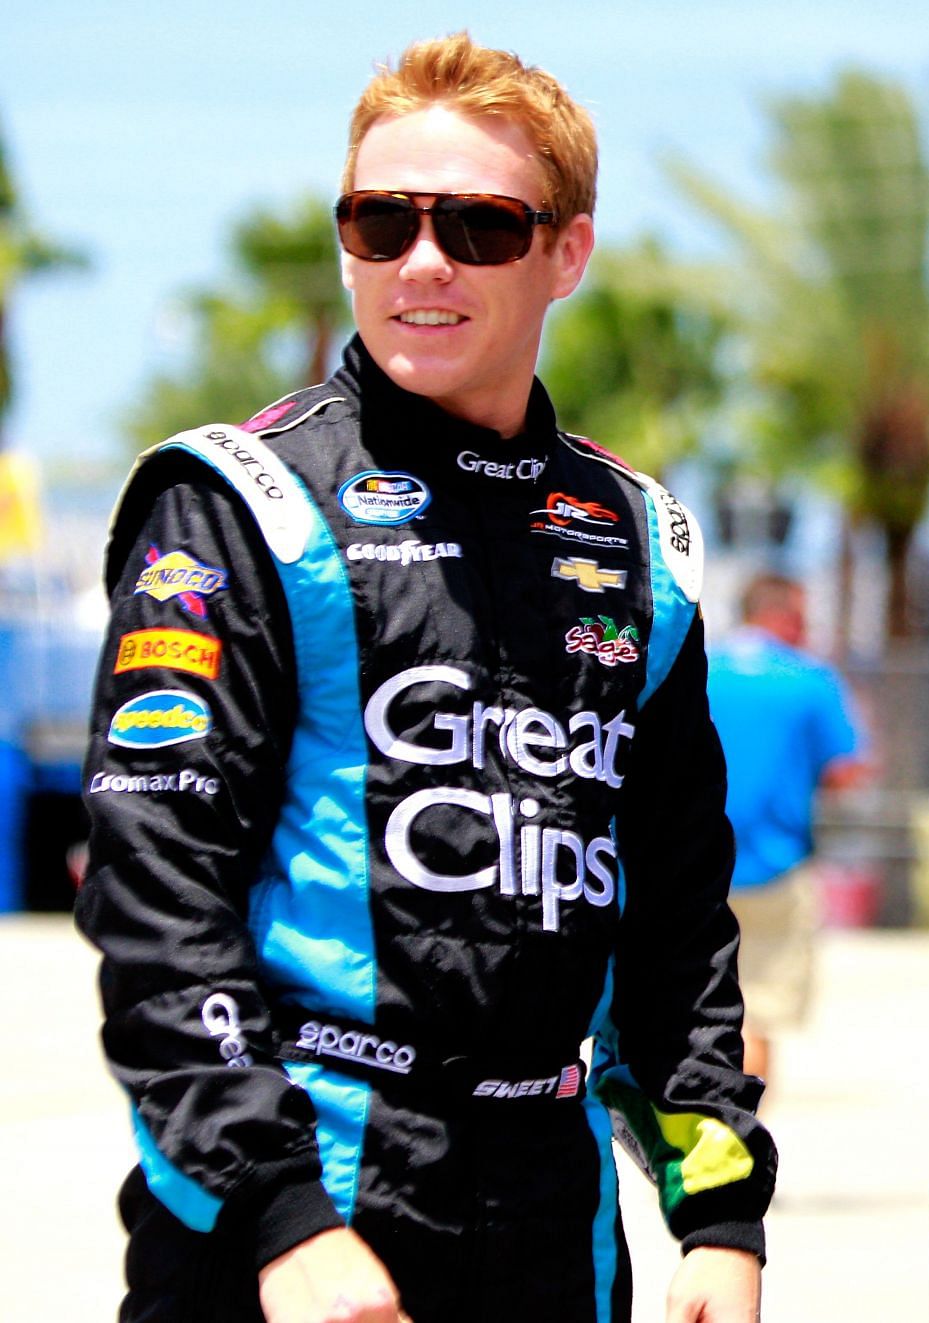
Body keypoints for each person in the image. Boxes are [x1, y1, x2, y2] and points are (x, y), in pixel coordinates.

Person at [76, 34, 772, 1323]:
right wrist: (281, 1220)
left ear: (568, 253)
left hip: (552, 1212)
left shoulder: (640, 539)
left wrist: (720, 1213)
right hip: (301, 1201)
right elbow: (156, 894)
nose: (424, 263)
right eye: (381, 222)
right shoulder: (242, 500)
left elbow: (675, 914)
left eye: (480, 227)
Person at [705, 574, 867, 1086]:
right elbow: (846, 769)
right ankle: (734, 1146)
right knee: (756, 1017)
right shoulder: (809, 679)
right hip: (778, 864)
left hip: (691, 864)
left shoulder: (698, 671)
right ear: (785, 616)